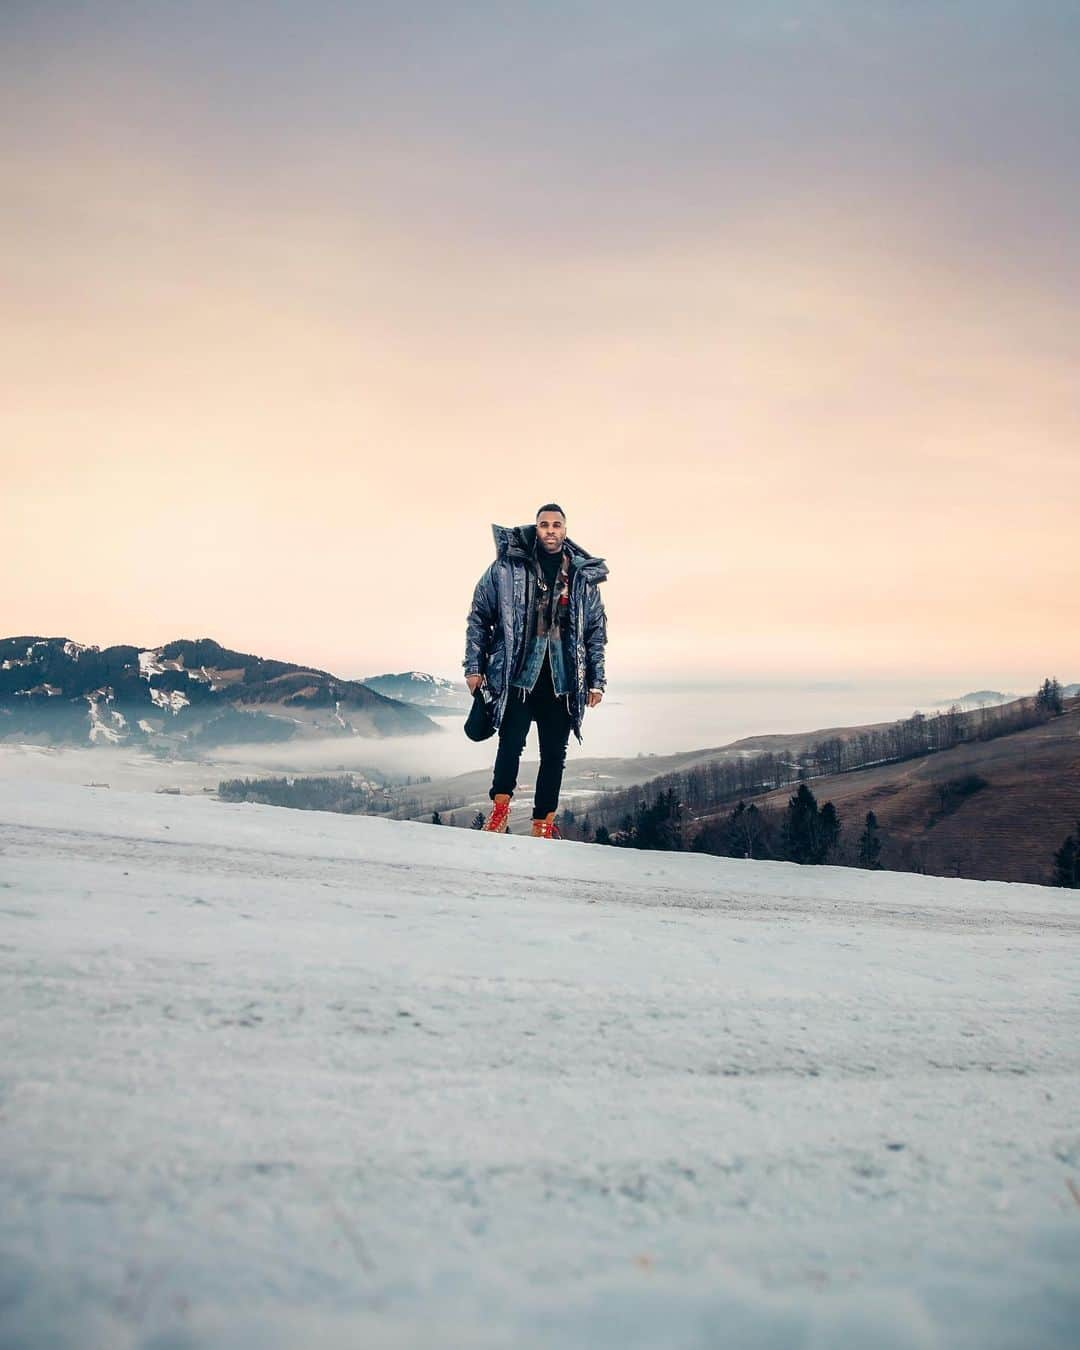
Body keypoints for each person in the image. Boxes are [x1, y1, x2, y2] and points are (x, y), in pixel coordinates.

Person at [463, 503, 609, 837]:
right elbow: (479, 617)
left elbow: (595, 634)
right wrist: (474, 666)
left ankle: (543, 823)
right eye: (544, 524)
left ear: (565, 530)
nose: (550, 530)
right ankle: (499, 812)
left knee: (554, 754)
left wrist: (596, 681)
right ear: (537, 527)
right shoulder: (506, 567)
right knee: (510, 743)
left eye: (557, 525)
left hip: (561, 680)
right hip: (518, 676)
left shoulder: (582, 577)